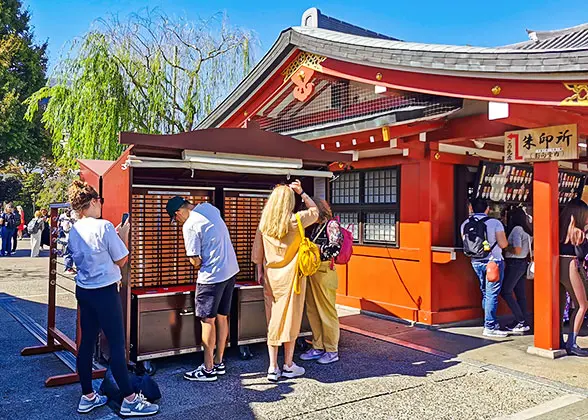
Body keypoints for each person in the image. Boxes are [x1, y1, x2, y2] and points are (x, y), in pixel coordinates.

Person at [67, 180, 159, 416]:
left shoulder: (74, 230)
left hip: (84, 290)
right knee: (117, 344)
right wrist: (124, 235)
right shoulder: (105, 227)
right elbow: (122, 259)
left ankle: (87, 395)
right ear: (95, 202)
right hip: (105, 291)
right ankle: (129, 399)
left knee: (87, 342)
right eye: (101, 202)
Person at [165, 196, 239, 382]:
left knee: (208, 320)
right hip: (230, 270)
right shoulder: (208, 208)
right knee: (222, 317)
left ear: (178, 212)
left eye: (176, 219)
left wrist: (195, 261)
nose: (178, 222)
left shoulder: (189, 225)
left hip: (211, 277)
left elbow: (195, 261)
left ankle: (208, 369)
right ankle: (219, 361)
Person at [252, 180, 319, 382]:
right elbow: (315, 212)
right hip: (293, 279)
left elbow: (258, 252)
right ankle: (289, 365)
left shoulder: (265, 223)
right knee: (291, 319)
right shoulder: (296, 220)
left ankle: (272, 367)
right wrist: (302, 193)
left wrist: (260, 271)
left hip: (271, 277)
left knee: (273, 321)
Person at [300, 197, 343, 365]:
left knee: (327, 311)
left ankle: (332, 350)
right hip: (313, 269)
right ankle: (317, 345)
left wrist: (315, 248)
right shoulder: (316, 225)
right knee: (312, 310)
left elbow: (335, 248)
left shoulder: (331, 225)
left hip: (325, 270)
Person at [461, 198, 509, 337]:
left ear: (471, 208)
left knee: (486, 293)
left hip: (475, 262)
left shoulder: (465, 224)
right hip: (493, 262)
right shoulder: (495, 223)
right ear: (487, 209)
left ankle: (489, 321)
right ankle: (490, 326)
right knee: (492, 295)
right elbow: (503, 244)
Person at [559, 200, 588, 356]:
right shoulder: (578, 232)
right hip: (571, 265)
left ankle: (559, 340)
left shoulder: (559, 228)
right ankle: (572, 343)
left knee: (560, 305)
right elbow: (582, 254)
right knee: (582, 305)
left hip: (557, 266)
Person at [500, 207, 533, 333]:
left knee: (505, 291)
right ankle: (523, 321)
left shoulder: (516, 229)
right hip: (523, 263)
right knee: (520, 294)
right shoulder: (527, 230)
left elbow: (517, 250)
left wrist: (504, 246)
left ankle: (520, 320)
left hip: (514, 262)